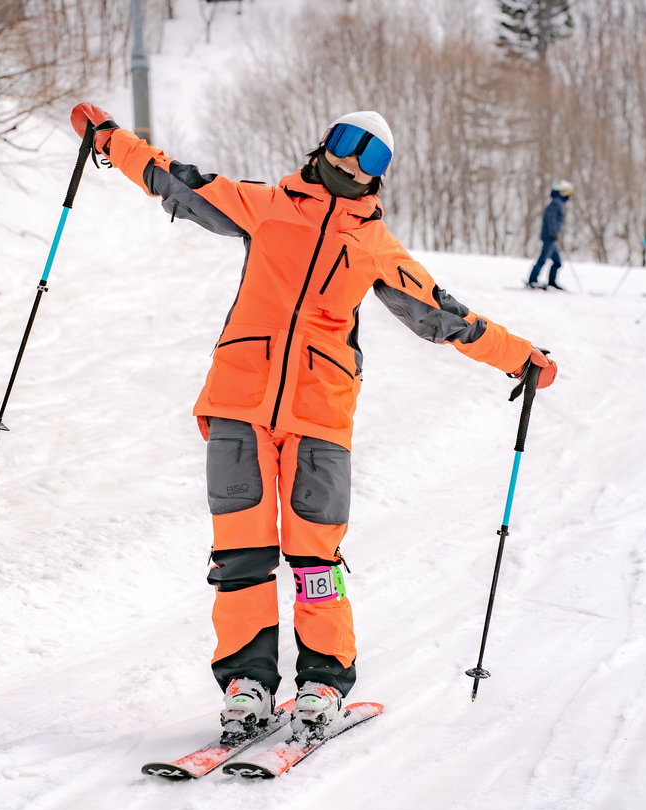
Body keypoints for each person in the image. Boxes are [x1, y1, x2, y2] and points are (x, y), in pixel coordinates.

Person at [68, 102, 558, 737]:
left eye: (372, 154)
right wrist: (109, 138)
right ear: (323, 144)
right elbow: (173, 178)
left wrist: (521, 356)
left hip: (320, 418)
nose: (353, 161)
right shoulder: (263, 206)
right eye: (348, 143)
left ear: (382, 174)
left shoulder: (377, 247)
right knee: (240, 555)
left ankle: (322, 686)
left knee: (314, 560)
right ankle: (247, 685)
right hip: (238, 407)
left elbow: (446, 315)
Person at [527, 180, 573, 290]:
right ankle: (532, 280)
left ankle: (552, 281)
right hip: (550, 237)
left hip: (552, 237)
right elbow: (551, 219)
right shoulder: (556, 203)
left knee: (557, 262)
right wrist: (553, 234)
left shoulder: (558, 203)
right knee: (543, 259)